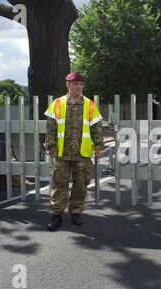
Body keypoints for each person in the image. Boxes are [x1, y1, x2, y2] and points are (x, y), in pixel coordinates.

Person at [44, 72, 104, 231]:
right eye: (75, 84)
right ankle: (56, 215)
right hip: (62, 153)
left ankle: (76, 212)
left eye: (80, 84)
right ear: (68, 85)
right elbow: (50, 129)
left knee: (81, 184)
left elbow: (96, 129)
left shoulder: (90, 105)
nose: (78, 87)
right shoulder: (57, 104)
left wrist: (99, 146)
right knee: (59, 184)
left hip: (82, 154)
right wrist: (51, 146)